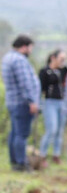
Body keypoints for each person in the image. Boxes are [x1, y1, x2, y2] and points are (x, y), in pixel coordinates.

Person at [2, 34, 40, 171]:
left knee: (15, 132)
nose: (30, 51)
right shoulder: (19, 60)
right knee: (21, 134)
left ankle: (15, 161)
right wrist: (32, 101)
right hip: (22, 102)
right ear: (24, 47)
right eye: (30, 48)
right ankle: (20, 162)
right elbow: (25, 83)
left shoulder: (7, 58)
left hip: (12, 101)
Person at [38, 49, 67, 165]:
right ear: (53, 58)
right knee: (52, 129)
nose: (63, 61)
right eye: (61, 59)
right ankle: (42, 155)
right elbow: (41, 89)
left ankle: (56, 154)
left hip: (62, 102)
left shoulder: (64, 70)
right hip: (50, 102)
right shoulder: (45, 71)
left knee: (59, 130)